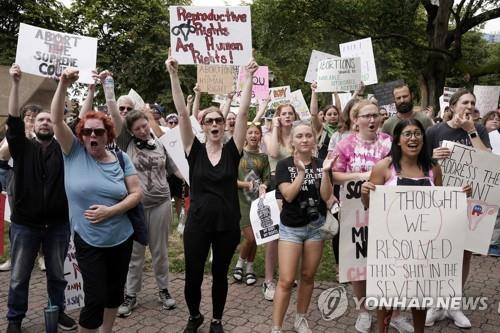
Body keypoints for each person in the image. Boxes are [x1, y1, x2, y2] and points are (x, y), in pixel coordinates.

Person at [167, 55, 258, 333]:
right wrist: (173, 75)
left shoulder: (233, 151)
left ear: (224, 125)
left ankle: (216, 320)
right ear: (203, 126)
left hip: (227, 226)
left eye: (219, 120)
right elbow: (183, 113)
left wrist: (249, 77)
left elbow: (242, 114)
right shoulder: (193, 150)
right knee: (193, 277)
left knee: (220, 275)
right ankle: (194, 316)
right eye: (209, 121)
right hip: (198, 224)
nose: (215, 124)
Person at [51, 67, 143, 333]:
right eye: (88, 131)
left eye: (99, 132)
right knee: (94, 298)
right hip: (89, 239)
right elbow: (57, 121)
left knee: (115, 293)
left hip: (121, 237)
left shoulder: (121, 159)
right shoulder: (73, 152)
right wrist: (63, 84)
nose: (93, 136)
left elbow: (137, 194)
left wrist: (111, 211)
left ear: (108, 135)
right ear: (81, 134)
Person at [361, 119, 471, 333]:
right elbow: (370, 207)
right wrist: (365, 194)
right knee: (387, 294)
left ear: (424, 138)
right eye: (408, 134)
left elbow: (440, 205)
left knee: (420, 293)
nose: (413, 138)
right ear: (398, 141)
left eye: (417, 134)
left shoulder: (432, 168)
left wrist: (458, 197)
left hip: (424, 247)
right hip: (391, 246)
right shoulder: (384, 167)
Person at [5, 64, 77, 333]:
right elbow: (13, 119)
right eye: (40, 120)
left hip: (58, 224)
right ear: (32, 125)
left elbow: (77, 120)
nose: (46, 122)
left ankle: (57, 312)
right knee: (19, 276)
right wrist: (15, 83)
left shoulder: (66, 149)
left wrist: (75, 87)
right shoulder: (22, 147)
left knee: (58, 275)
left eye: (50, 119)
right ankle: (15, 319)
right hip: (25, 224)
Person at [425, 89, 491, 328]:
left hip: (470, 201)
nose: (470, 106)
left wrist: (471, 131)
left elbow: (488, 161)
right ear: (452, 106)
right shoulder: (435, 131)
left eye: (473, 103)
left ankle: (454, 304)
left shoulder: (479, 130)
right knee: (438, 252)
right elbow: (422, 164)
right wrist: (431, 156)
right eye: (465, 102)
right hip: (441, 201)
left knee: (463, 253)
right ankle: (435, 303)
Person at [331, 100, 397, 333]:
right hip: (356, 212)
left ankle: (393, 312)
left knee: (389, 262)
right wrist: (363, 176)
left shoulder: (390, 143)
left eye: (375, 115)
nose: (372, 120)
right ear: (355, 119)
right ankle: (363, 311)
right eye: (366, 116)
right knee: (358, 263)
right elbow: (335, 175)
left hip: (387, 211)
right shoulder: (345, 145)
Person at [111, 105, 182, 316]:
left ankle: (164, 290)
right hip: (136, 206)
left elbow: (175, 169)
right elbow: (116, 120)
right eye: (138, 128)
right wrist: (109, 92)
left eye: (145, 126)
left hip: (161, 202)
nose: (143, 131)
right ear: (131, 131)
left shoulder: (160, 144)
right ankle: (131, 294)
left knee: (160, 251)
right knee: (136, 253)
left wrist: (190, 178)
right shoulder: (125, 145)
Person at [271, 122, 335, 333]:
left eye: (308, 135)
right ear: (293, 141)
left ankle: (300, 318)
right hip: (291, 228)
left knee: (308, 276)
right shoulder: (284, 165)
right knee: (287, 279)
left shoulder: (321, 164)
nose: (305, 139)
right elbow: (288, 195)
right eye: (300, 136)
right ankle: (277, 327)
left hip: (316, 227)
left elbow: (326, 197)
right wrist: (300, 173)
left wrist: (325, 173)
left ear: (314, 139)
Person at [261, 103, 297, 301]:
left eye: (290, 113)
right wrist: (274, 127)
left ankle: (287, 274)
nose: (287, 116)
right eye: (284, 114)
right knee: (274, 235)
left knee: (292, 232)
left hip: (296, 183)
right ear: (278, 116)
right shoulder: (269, 133)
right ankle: (268, 280)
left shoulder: (299, 134)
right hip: (276, 183)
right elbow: (273, 153)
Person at [232, 124, 270, 286]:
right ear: (245, 136)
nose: (254, 135)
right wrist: (245, 184)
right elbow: (228, 178)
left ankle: (250, 268)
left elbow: (267, 177)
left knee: (256, 237)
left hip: (257, 202)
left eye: (257, 133)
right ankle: (239, 263)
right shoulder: (237, 154)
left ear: (260, 136)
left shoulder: (264, 157)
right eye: (250, 132)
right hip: (240, 201)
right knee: (250, 236)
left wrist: (264, 186)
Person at [310, 82, 342, 160]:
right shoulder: (321, 129)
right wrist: (314, 91)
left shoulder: (342, 128)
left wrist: (335, 93)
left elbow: (339, 109)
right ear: (324, 117)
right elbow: (314, 114)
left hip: (340, 166)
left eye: (335, 114)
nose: (333, 116)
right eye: (329, 114)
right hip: (323, 166)